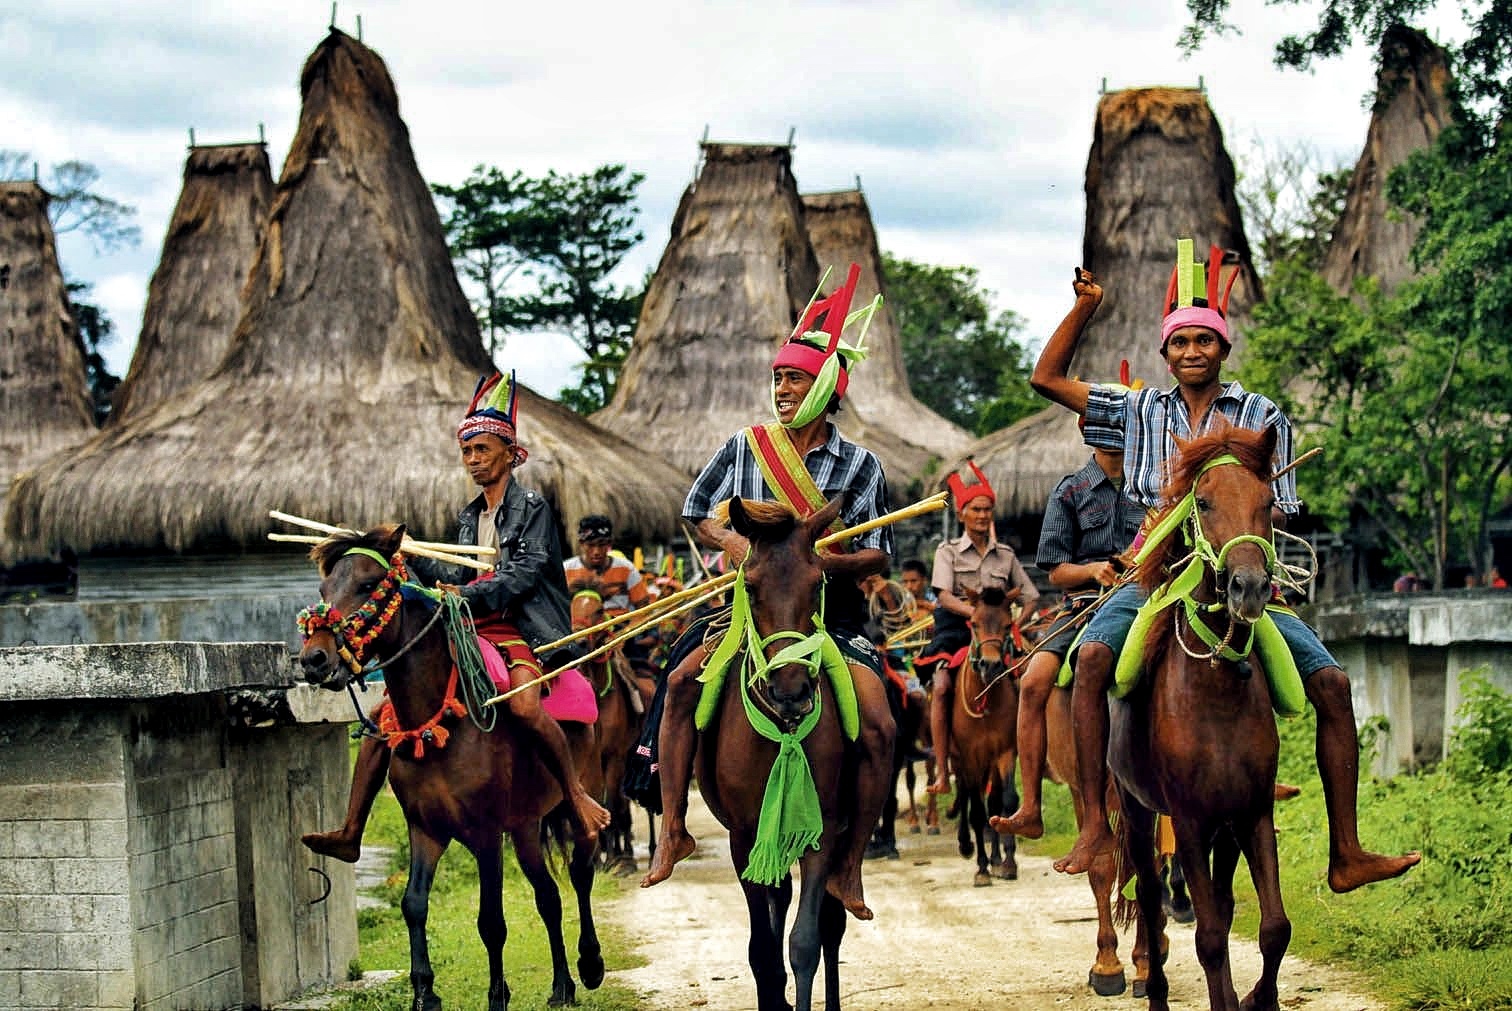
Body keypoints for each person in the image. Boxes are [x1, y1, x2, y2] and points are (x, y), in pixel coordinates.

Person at [1029, 243, 1419, 892]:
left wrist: (1236, 522)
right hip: (1157, 573)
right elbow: (1045, 379)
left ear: (1224, 347)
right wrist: (1085, 307)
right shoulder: (1139, 410)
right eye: (1179, 341)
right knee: (1093, 661)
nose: (1191, 351)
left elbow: (1282, 509)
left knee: (1333, 685)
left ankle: (1346, 849)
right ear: (1163, 352)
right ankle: (1096, 823)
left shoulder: (1262, 416)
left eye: (1204, 339)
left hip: (1239, 571)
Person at [639, 262, 897, 921]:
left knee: (878, 720)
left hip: (829, 616)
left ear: (824, 388)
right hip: (751, 612)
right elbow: (697, 508)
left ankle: (850, 861)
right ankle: (672, 826)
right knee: (680, 684)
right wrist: (750, 553)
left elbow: (880, 553)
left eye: (795, 378)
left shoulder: (861, 464)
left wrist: (817, 559)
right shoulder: (746, 447)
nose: (782, 389)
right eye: (779, 377)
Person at [301, 371, 610, 862]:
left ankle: (574, 794)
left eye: (482, 450)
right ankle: (351, 830)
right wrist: (410, 558)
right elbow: (451, 570)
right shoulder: (469, 517)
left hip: (524, 629)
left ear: (510, 453)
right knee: (388, 715)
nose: (473, 460)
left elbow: (525, 572)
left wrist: (466, 595)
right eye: (467, 452)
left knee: (527, 706)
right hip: (470, 629)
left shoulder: (532, 507)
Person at [992, 439, 1140, 838]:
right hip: (1082, 607)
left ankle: (1246, 784)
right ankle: (1031, 806)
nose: (1114, 433)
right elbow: (1055, 572)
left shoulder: (1151, 485)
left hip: (1147, 601)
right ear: (1085, 429)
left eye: (1121, 424)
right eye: (1103, 424)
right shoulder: (1070, 491)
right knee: (1033, 683)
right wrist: (1092, 570)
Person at [918, 462, 1040, 796]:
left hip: (998, 633)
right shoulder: (948, 552)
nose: (983, 516)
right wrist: (974, 612)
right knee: (942, 686)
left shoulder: (1006, 555)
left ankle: (1037, 761)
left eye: (987, 510)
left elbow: (1031, 595)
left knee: (1034, 677)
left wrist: (1016, 622)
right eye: (976, 510)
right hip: (956, 630)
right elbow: (942, 595)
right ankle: (943, 771)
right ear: (962, 515)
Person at [564, 514, 651, 618]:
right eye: (591, 545)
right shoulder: (566, 570)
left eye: (601, 545)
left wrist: (628, 630)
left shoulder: (626, 568)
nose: (596, 551)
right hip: (580, 629)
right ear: (581, 543)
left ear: (609, 543)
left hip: (621, 628)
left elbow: (643, 607)